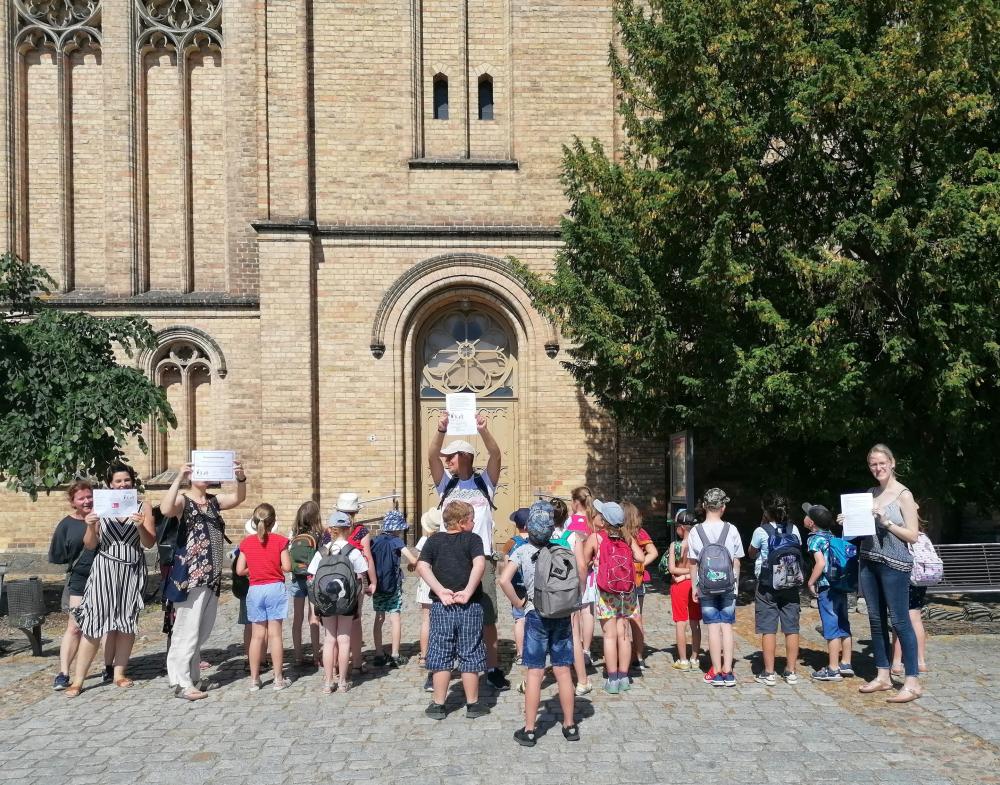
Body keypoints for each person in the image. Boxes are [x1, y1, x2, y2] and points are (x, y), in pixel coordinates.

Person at [428, 412, 509, 691]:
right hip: (449, 557)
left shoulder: (484, 484)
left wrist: (484, 431)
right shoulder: (446, 484)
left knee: (486, 616)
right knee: (445, 613)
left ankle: (492, 666)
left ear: (464, 456)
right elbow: (430, 457)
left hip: (481, 558)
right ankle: (443, 666)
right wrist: (440, 431)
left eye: (451, 456)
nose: (446, 460)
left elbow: (496, 455)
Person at [64, 464, 157, 697]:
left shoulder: (142, 506)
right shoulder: (101, 506)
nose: (123, 484)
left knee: (126, 622)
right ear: (109, 484)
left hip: (132, 570)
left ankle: (119, 673)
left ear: (133, 482)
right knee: (94, 623)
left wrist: (139, 526)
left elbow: (149, 543)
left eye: (127, 480)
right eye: (118, 481)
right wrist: (90, 526)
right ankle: (78, 680)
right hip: (105, 568)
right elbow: (90, 544)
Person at [159, 459, 247, 701]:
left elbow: (238, 498)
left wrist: (240, 477)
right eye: (198, 472)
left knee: (201, 630)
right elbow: (166, 509)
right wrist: (178, 478)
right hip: (191, 576)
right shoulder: (184, 501)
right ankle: (180, 681)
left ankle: (194, 676)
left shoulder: (212, 502)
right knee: (185, 630)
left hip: (212, 576)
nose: (204, 476)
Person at [843, 444, 922, 703]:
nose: (877, 468)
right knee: (876, 621)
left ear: (892, 462)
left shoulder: (904, 495)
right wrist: (849, 522)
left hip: (895, 565)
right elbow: (864, 532)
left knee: (900, 621)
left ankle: (912, 682)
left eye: (881, 463)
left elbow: (913, 534)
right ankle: (883, 675)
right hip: (869, 561)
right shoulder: (870, 493)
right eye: (873, 464)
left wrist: (887, 522)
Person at [499, 504, 582, 746]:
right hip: (561, 614)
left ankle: (530, 729)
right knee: (563, 671)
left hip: (535, 614)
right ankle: (570, 725)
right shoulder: (562, 549)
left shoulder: (523, 551)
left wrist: (519, 601)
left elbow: (504, 580)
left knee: (534, 672)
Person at [418, 500, 489, 719]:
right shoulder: (473, 539)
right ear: (462, 523)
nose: (474, 522)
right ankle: (473, 704)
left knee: (440, 652)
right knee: (470, 652)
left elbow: (422, 566)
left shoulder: (434, 541)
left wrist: (439, 591)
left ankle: (438, 704)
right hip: (469, 605)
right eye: (471, 519)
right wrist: (468, 590)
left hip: (442, 606)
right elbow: (479, 564)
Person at [47, 481, 110, 691]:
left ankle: (108, 667)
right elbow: (59, 556)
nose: (87, 501)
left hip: (106, 576)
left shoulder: (106, 517)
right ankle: (64, 673)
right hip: (80, 579)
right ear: (73, 502)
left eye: (89, 496)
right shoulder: (66, 524)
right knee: (75, 626)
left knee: (107, 625)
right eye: (81, 498)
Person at [582, 499, 646, 694]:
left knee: (609, 636)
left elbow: (584, 562)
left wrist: (594, 562)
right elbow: (641, 558)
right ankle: (624, 677)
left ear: (604, 519)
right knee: (624, 634)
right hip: (626, 592)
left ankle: (612, 678)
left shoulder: (596, 538)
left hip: (605, 592)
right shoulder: (627, 537)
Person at [309, 510, 372, 693]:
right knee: (344, 640)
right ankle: (343, 681)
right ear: (349, 529)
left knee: (329, 640)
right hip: (347, 601)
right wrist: (359, 605)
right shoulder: (353, 552)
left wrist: (315, 605)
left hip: (326, 601)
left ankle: (328, 682)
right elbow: (361, 579)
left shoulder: (322, 552)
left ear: (330, 530)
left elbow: (312, 579)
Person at [688, 488, 744, 687]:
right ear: (723, 507)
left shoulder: (696, 531)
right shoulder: (732, 529)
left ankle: (717, 671)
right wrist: (735, 584)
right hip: (728, 585)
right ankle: (729, 671)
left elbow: (693, 563)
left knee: (712, 626)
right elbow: (736, 562)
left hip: (705, 585)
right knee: (727, 626)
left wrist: (695, 586)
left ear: (704, 506)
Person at [747, 492, 802, 686]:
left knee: (768, 628)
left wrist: (763, 524)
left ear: (766, 512)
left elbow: (751, 553)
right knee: (791, 628)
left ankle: (769, 672)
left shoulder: (761, 531)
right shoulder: (794, 529)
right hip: (791, 583)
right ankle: (791, 671)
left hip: (767, 585)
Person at [236, 503, 292, 691]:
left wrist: (255, 568)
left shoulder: (246, 543)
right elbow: (287, 567)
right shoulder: (280, 541)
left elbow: (239, 569)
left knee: (256, 636)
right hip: (275, 588)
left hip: (255, 589)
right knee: (275, 635)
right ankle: (278, 679)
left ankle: (254, 679)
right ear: (274, 521)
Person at [804, 503, 854, 681]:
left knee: (831, 625)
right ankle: (846, 663)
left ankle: (833, 668)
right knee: (843, 622)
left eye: (806, 515)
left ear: (812, 523)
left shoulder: (814, 539)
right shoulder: (832, 536)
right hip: (840, 585)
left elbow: (821, 563)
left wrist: (810, 582)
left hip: (826, 587)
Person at [551, 497, 592, 695]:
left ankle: (531, 679)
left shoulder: (541, 535)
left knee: (541, 633)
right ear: (566, 517)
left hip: (547, 592)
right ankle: (582, 681)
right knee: (574, 635)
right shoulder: (572, 536)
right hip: (568, 590)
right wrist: (581, 587)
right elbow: (582, 566)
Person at [371, 510, 419, 667]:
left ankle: (378, 654)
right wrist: (412, 564)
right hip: (393, 585)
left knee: (379, 618)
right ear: (397, 528)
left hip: (377, 585)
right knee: (395, 618)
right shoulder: (396, 541)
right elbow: (412, 558)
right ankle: (395, 654)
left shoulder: (375, 541)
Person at [337, 492, 377, 677]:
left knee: (334, 623)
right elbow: (367, 557)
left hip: (334, 580)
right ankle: (357, 663)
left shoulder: (330, 530)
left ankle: (336, 665)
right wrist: (373, 581)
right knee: (355, 620)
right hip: (355, 580)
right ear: (354, 513)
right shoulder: (361, 531)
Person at [622, 501, 657, 670]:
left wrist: (638, 564)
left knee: (622, 619)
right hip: (638, 581)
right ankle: (639, 656)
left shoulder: (620, 534)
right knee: (637, 619)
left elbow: (653, 552)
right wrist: (641, 565)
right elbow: (653, 552)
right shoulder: (640, 532)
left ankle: (625, 655)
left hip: (625, 581)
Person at [288, 501, 323, 668]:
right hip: (311, 579)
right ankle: (317, 656)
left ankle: (297, 657)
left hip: (296, 579)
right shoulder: (318, 535)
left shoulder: (294, 534)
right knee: (313, 618)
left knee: (297, 619)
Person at [668, 509, 702, 671]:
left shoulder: (675, 545)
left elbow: (672, 569)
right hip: (694, 584)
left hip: (679, 587)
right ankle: (695, 658)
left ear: (682, 528)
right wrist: (690, 575)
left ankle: (683, 659)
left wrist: (683, 576)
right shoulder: (699, 545)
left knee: (680, 623)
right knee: (695, 622)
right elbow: (700, 568)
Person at [414, 508, 444, 692]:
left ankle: (424, 656)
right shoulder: (445, 540)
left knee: (426, 620)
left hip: (426, 583)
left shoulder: (425, 540)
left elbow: (418, 562)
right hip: (441, 581)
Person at [569, 486, 598, 666]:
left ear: (576, 502)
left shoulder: (572, 521)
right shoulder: (594, 521)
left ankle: (577, 648)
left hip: (575, 571)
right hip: (591, 572)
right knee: (588, 611)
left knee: (576, 612)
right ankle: (586, 649)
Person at [501, 507, 531, 667]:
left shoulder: (511, 542)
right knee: (534, 618)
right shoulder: (536, 540)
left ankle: (520, 653)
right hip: (533, 586)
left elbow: (506, 564)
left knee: (520, 619)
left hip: (517, 587)